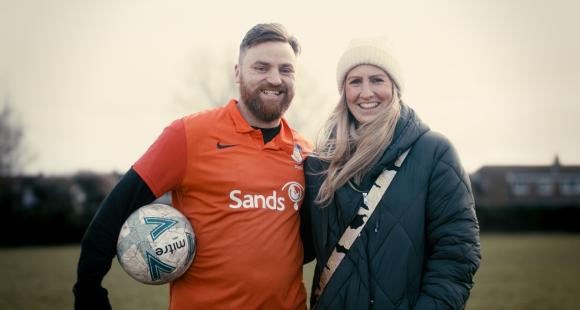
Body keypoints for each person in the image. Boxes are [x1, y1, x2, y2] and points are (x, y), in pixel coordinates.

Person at [73, 23, 312, 310]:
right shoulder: (187, 135)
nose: (275, 79)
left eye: (286, 70)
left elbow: (306, 244)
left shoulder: (307, 154)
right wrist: (88, 290)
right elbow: (116, 210)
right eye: (261, 67)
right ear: (238, 73)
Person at [300, 37, 481, 309]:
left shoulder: (434, 153)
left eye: (377, 80)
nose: (366, 92)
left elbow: (457, 254)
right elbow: (295, 247)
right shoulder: (321, 163)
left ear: (395, 87)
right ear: (343, 90)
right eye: (355, 81)